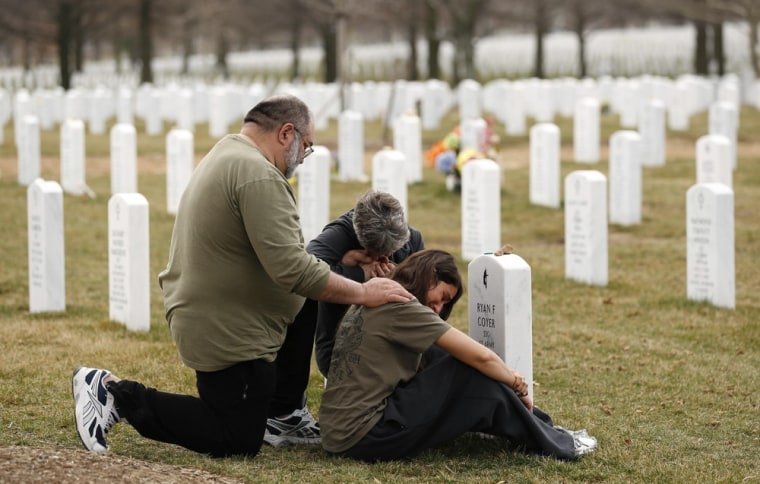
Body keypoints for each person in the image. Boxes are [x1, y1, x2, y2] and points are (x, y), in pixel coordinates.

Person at [71, 94, 412, 458]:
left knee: (312, 291)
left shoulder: (230, 153)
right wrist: (364, 290)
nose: (302, 157)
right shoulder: (259, 176)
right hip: (227, 329)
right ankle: (114, 394)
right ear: (286, 133)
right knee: (236, 437)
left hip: (220, 312)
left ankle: (282, 413)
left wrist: (346, 265)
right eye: (306, 146)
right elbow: (294, 269)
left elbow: (282, 258)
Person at [319, 249, 597, 462]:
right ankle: (556, 443)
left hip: (336, 432)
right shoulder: (402, 306)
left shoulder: (378, 293)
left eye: (445, 303)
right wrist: (515, 382)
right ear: (428, 276)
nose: (439, 308)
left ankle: (540, 425)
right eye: (440, 296)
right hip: (365, 435)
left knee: (442, 354)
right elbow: (481, 358)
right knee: (464, 368)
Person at [264, 190, 425, 447]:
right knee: (301, 302)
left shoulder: (412, 239)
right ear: (357, 235)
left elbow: (425, 302)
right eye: (374, 253)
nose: (383, 260)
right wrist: (354, 272)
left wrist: (396, 281)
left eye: (390, 253)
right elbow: (302, 276)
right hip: (339, 349)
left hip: (394, 349)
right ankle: (285, 411)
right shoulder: (338, 236)